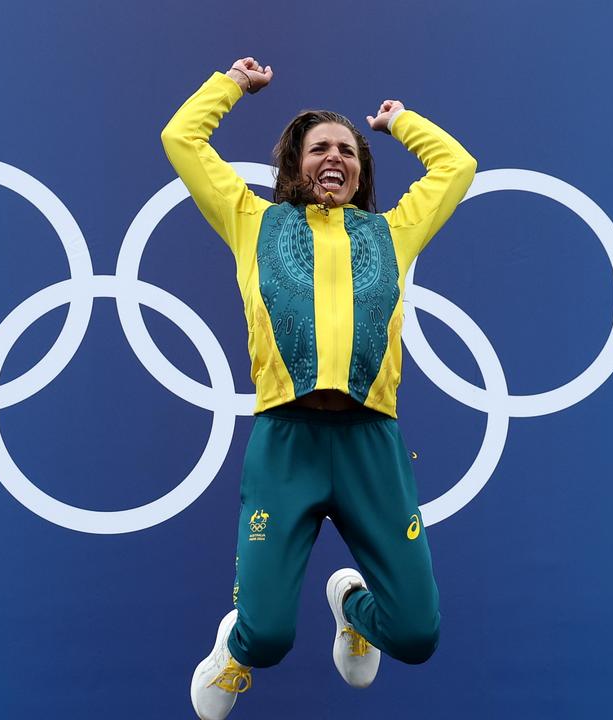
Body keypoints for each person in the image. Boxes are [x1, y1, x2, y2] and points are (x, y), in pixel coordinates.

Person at [162, 57, 476, 719]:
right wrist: (232, 86)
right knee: (268, 637)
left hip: (371, 445)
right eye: (319, 148)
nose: (334, 158)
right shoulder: (252, 221)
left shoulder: (393, 230)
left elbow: (457, 169)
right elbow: (181, 140)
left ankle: (352, 609)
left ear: (360, 168)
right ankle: (236, 648)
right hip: (286, 444)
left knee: (418, 636)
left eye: (347, 150)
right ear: (293, 166)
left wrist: (399, 124)